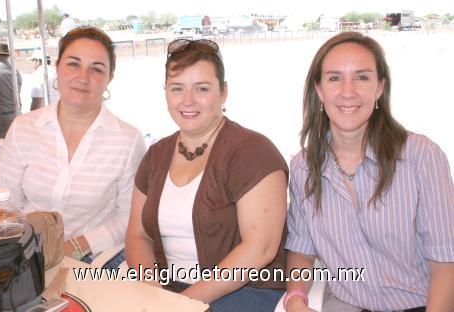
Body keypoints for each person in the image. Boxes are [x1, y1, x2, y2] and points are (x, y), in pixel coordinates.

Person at [284, 32, 454, 312]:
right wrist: (296, 299)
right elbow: (302, 249)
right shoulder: (304, 167)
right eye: (334, 78)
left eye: (362, 77)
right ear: (319, 90)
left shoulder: (421, 156)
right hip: (347, 305)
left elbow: (445, 262)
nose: (348, 92)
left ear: (379, 88)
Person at [125, 39, 288, 311]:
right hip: (168, 288)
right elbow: (138, 235)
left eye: (202, 88)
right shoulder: (156, 155)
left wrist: (181, 304)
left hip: (242, 290)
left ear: (223, 93)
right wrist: (152, 290)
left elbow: (260, 248)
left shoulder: (253, 152)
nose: (188, 100)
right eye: (177, 88)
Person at [0, 27, 146, 267]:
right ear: (57, 68)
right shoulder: (24, 128)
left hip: (94, 258)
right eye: (73, 64)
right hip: (25, 253)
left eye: (96, 69)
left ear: (110, 78)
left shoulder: (128, 140)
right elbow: (4, 200)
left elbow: (129, 217)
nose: (83, 77)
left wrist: (75, 247)